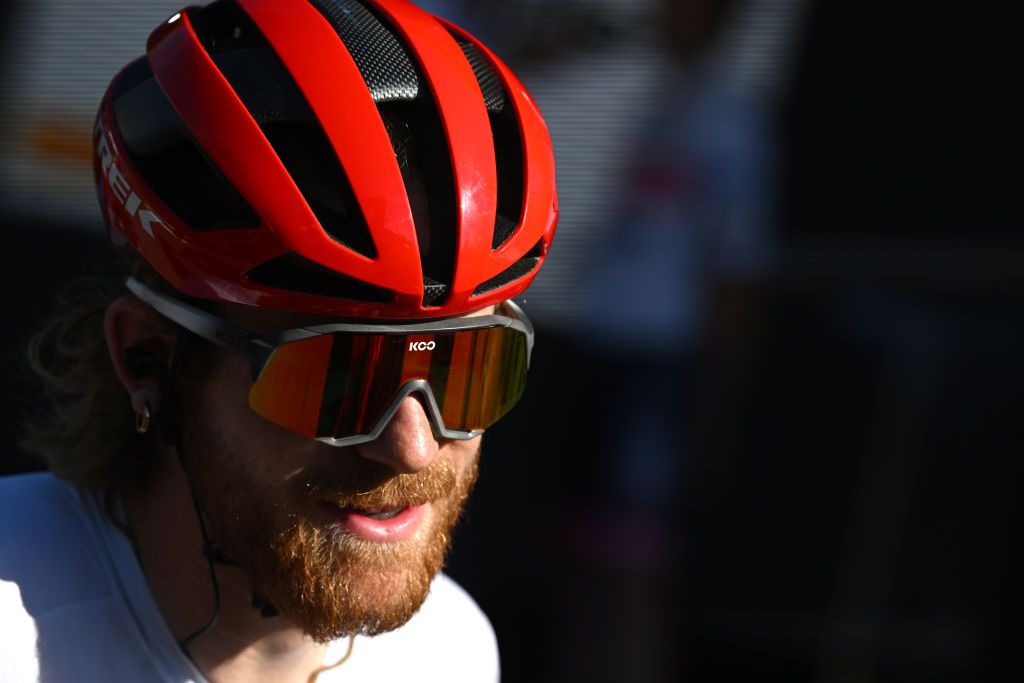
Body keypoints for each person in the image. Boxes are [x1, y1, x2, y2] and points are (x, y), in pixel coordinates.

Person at [0, 0, 557, 680]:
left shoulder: (451, 650)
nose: (411, 446)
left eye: (468, 367)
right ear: (147, 360)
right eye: (337, 375)